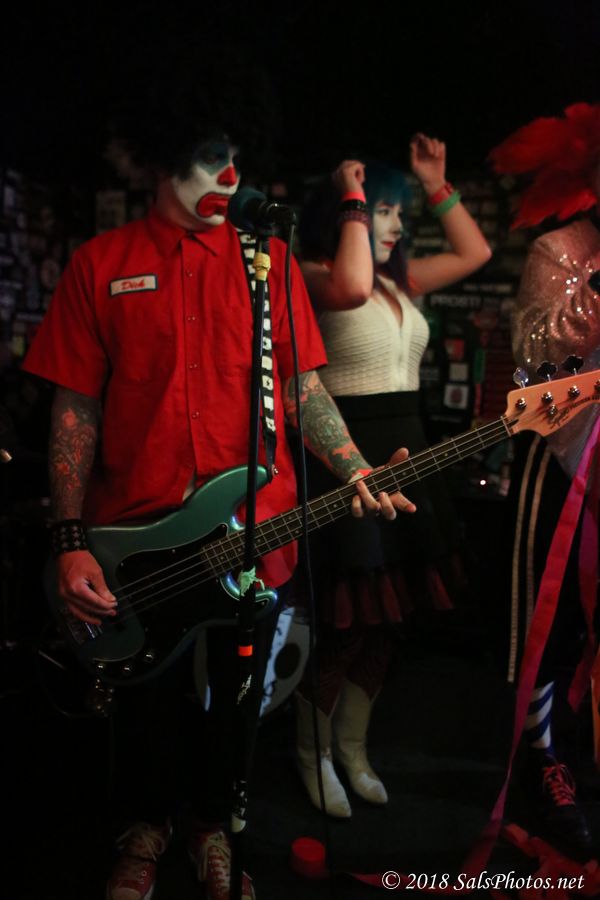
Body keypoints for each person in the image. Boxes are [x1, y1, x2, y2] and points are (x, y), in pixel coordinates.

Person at [21, 76, 416, 900]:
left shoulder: (268, 264)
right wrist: (68, 541)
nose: (230, 178)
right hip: (135, 539)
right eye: (209, 157)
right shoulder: (100, 265)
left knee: (236, 702)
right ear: (159, 160)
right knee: (147, 705)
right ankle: (143, 829)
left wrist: (354, 467)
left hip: (253, 535)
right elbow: (74, 412)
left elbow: (302, 387)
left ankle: (212, 828)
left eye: (237, 158)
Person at [294, 136, 491, 817]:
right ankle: (312, 753)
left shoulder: (398, 282)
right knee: (347, 625)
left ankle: (352, 749)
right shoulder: (313, 274)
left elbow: (476, 253)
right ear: (345, 212)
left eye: (397, 213)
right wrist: (352, 193)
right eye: (384, 210)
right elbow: (348, 286)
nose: (396, 226)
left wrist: (435, 184)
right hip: (346, 458)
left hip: (410, 455)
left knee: (389, 624)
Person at [490, 102, 600, 855]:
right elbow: (537, 352)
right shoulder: (560, 249)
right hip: (564, 457)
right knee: (551, 623)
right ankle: (544, 760)